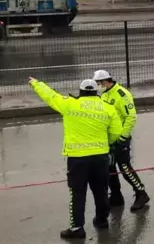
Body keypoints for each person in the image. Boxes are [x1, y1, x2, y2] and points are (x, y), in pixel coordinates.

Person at [29, 77, 122, 240]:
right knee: (101, 190)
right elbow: (116, 132)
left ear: (80, 92)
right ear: (96, 92)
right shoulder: (108, 108)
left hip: (77, 159)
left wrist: (37, 84)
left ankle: (77, 228)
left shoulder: (69, 104)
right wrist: (105, 143)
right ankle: (101, 220)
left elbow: (50, 96)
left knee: (77, 193)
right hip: (100, 157)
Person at [92, 70, 150, 211]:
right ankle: (116, 196)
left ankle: (141, 193)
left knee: (125, 168)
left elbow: (131, 117)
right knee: (110, 169)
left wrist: (123, 138)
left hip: (121, 139)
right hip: (109, 139)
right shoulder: (105, 94)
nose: (98, 86)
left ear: (106, 81)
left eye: (99, 83)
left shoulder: (122, 95)